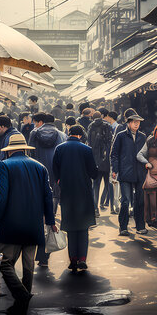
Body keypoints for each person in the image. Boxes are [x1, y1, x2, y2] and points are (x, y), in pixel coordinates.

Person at [0, 134, 56, 314]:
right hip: (33, 223)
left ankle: (22, 296)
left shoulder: (5, 165)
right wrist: (50, 221)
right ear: (25, 149)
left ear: (10, 150)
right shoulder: (40, 166)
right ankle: (23, 305)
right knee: (28, 266)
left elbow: (2, 196)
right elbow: (47, 196)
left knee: (4, 263)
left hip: (11, 223)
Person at [53, 125, 98, 271]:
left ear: (69, 134)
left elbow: (55, 169)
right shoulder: (87, 149)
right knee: (83, 227)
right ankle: (82, 259)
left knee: (71, 228)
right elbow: (93, 173)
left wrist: (60, 180)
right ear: (80, 135)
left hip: (67, 193)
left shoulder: (59, 149)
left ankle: (72, 259)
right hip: (83, 192)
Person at [28, 112, 67, 267]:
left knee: (37, 218)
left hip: (37, 180)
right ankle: (44, 256)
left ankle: (30, 254)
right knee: (50, 217)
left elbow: (30, 155)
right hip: (55, 182)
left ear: (42, 122)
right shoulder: (62, 135)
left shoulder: (33, 133)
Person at [110, 110, 147, 236]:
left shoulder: (143, 136)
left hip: (140, 173)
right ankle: (123, 227)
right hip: (125, 172)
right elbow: (114, 154)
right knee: (125, 201)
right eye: (134, 122)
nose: (137, 125)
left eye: (138, 123)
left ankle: (140, 226)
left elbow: (146, 154)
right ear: (129, 123)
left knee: (140, 201)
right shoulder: (121, 136)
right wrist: (115, 169)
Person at [87, 111, 114, 217]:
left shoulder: (90, 127)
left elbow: (89, 143)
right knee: (109, 184)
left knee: (95, 185)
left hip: (95, 159)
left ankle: (95, 209)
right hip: (106, 159)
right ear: (102, 116)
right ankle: (111, 207)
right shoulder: (107, 126)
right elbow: (110, 142)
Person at [137, 125, 157, 227]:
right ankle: (152, 218)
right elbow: (139, 154)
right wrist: (146, 163)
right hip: (152, 172)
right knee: (151, 195)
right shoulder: (150, 140)